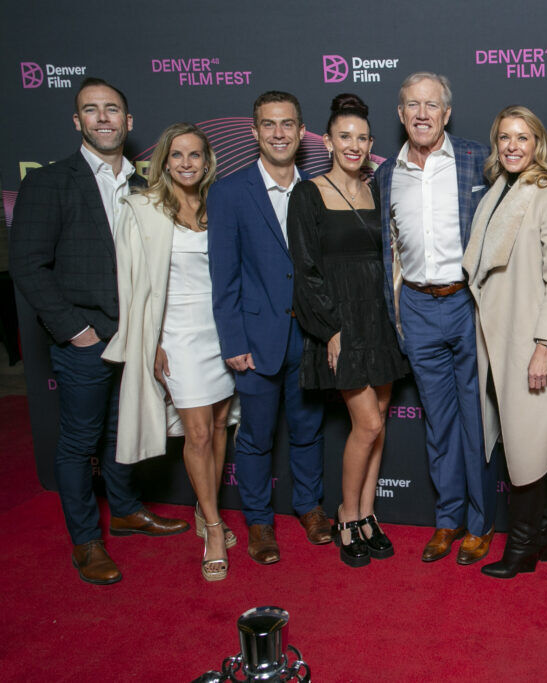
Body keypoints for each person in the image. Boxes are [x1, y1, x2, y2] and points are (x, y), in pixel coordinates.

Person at [9, 78, 188, 585]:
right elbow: (27, 265)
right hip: (86, 338)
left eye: (113, 109)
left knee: (121, 430)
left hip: (136, 335)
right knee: (79, 441)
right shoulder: (49, 182)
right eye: (92, 110)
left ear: (129, 122)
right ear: (77, 122)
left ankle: (127, 511)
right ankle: (86, 542)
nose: (104, 118)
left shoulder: (146, 185)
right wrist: (74, 330)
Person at [102, 123, 238, 581]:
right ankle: (215, 529)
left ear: (206, 160)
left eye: (195, 155)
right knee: (197, 433)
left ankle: (205, 511)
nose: (186, 163)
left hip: (220, 330)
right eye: (177, 155)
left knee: (220, 424)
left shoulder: (218, 204)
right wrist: (151, 339)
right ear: (163, 160)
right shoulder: (143, 209)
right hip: (176, 333)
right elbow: (132, 283)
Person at [377, 72, 497, 565]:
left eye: (432, 105)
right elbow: (388, 249)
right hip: (419, 307)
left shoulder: (475, 159)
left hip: (468, 301)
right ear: (401, 114)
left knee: (476, 419)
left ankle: (479, 522)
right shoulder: (386, 174)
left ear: (447, 113)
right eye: (412, 105)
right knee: (439, 421)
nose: (422, 113)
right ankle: (447, 520)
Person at [208, 91, 330, 566]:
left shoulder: (317, 188)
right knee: (257, 437)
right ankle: (258, 521)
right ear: (255, 132)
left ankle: (310, 508)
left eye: (287, 124)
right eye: (268, 124)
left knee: (308, 430)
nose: (278, 133)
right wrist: (233, 341)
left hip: (309, 338)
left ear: (302, 133)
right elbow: (224, 275)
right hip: (256, 341)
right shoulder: (230, 192)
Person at [287, 94, 410, 568]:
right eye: (345, 136)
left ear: (371, 144)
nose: (354, 145)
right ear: (327, 141)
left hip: (380, 316)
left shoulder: (378, 190)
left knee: (377, 427)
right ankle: (345, 514)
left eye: (362, 138)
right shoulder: (309, 193)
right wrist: (330, 330)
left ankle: (367, 514)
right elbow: (306, 268)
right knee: (370, 423)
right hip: (341, 322)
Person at [462, 105, 547, 579]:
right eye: (504, 137)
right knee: (516, 442)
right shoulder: (494, 194)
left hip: (531, 341)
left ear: (538, 144)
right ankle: (545, 536)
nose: (512, 146)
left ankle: (522, 547)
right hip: (497, 341)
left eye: (522, 137)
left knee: (528, 445)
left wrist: (544, 346)